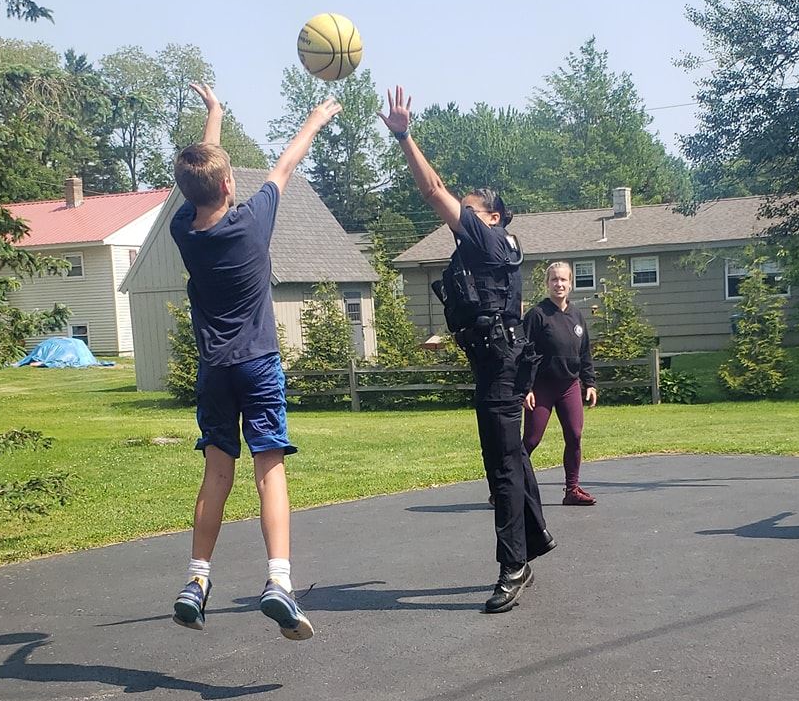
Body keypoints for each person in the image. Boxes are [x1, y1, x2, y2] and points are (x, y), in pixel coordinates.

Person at [167, 83, 340, 638]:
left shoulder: (183, 230)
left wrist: (213, 114)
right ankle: (278, 582)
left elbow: (203, 178)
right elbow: (286, 165)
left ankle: (196, 580)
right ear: (227, 183)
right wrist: (314, 119)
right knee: (271, 470)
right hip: (258, 364)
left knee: (217, 473)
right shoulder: (252, 222)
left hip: (214, 370)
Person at [382, 86, 553, 612]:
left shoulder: (488, 239)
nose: (462, 216)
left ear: (493, 218)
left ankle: (513, 565)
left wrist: (405, 136)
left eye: (473, 211)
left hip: (500, 365)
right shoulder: (490, 249)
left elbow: (433, 190)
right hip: (500, 360)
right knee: (513, 461)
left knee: (501, 467)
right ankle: (535, 541)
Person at [523, 261, 599, 506]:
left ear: (571, 284)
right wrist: (526, 388)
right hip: (541, 388)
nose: (559, 284)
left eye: (564, 280)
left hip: (569, 386)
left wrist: (590, 383)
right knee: (531, 440)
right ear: (547, 284)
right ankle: (505, 487)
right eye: (554, 279)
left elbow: (584, 352)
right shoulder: (537, 315)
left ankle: (572, 490)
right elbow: (523, 354)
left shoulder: (576, 316)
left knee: (575, 436)